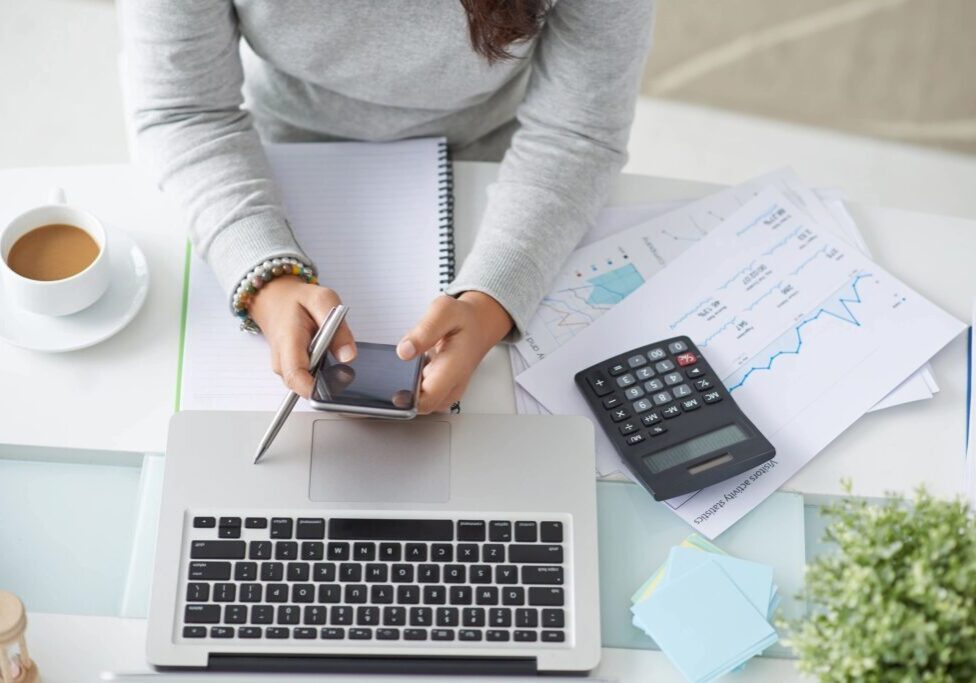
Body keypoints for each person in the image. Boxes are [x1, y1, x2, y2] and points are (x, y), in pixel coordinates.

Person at [123, 0, 655, 413]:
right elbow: (184, 110)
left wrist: (492, 301)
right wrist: (264, 278)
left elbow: (578, 132)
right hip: (274, 152)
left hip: (497, 162)